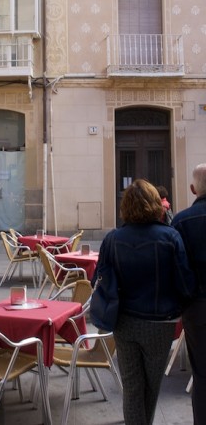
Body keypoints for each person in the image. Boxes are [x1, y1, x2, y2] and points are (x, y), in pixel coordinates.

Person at [93, 179, 195, 425]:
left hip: (124, 321)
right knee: (151, 385)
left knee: (132, 387)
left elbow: (98, 277)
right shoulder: (170, 237)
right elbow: (185, 282)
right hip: (159, 323)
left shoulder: (113, 239)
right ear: (155, 205)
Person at [172, 163, 206, 425]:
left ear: (193, 189)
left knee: (202, 374)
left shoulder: (181, 221)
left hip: (197, 308)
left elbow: (178, 269)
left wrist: (187, 300)